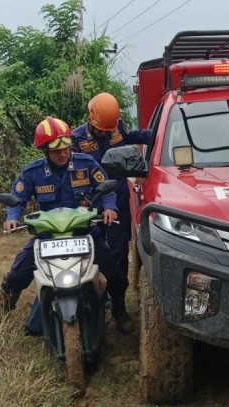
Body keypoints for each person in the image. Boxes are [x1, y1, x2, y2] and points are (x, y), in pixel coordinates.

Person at [0, 116, 134, 335]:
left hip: (84, 233)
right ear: (44, 150)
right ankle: (3, 312)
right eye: (56, 151)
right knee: (16, 274)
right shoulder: (32, 172)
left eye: (66, 149)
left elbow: (106, 187)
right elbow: (18, 197)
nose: (63, 154)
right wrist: (12, 217)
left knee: (115, 274)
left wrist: (110, 208)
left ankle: (119, 311)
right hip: (48, 237)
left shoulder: (86, 163)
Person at [71, 92, 152, 301]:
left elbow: (134, 137)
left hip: (118, 201)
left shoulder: (118, 129)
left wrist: (160, 135)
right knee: (90, 250)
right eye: (100, 130)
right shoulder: (76, 140)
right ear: (91, 118)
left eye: (109, 130)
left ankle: (118, 302)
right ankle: (94, 297)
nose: (105, 134)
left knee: (118, 251)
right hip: (90, 203)